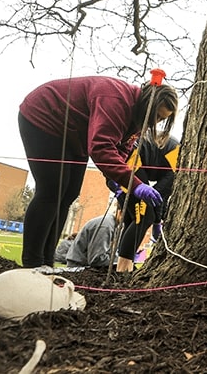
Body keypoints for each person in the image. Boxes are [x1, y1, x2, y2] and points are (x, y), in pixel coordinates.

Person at [18, 75, 178, 269]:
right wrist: (135, 185)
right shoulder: (117, 100)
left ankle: (46, 262)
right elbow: (101, 148)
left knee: (69, 194)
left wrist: (114, 179)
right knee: (52, 190)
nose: (157, 122)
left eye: (162, 119)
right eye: (157, 116)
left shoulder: (138, 118)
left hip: (76, 135)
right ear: (148, 104)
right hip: (46, 116)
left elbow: (121, 149)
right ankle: (32, 263)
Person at [112, 134, 179, 273]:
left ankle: (122, 265)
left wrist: (158, 220)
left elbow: (162, 195)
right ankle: (123, 269)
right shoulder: (179, 157)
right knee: (144, 217)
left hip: (123, 164)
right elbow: (158, 195)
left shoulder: (174, 151)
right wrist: (156, 221)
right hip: (130, 163)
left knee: (132, 219)